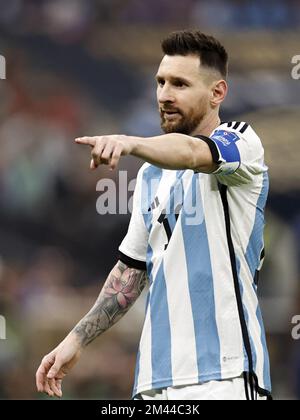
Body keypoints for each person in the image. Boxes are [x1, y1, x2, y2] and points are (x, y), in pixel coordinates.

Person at [36, 30, 272, 400]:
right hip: (152, 381)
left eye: (179, 83)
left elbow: (194, 154)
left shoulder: (242, 142)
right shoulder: (151, 175)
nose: (164, 94)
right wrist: (77, 340)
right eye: (160, 82)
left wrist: (131, 142)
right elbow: (130, 272)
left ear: (217, 93)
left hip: (224, 374)